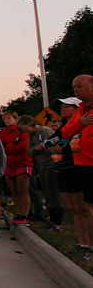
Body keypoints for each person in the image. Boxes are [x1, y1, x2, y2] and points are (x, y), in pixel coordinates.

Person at [52, 96, 93, 250]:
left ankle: (90, 244)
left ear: (77, 110)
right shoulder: (65, 127)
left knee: (84, 208)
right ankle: (82, 242)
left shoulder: (85, 124)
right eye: (62, 107)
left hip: (77, 168)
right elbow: (49, 143)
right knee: (74, 209)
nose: (63, 109)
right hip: (62, 169)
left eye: (67, 106)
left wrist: (61, 149)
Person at [61, 75, 93, 254]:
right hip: (81, 164)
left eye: (80, 86)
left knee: (87, 209)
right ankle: (85, 244)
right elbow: (66, 132)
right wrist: (80, 123)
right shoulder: (81, 110)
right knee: (81, 207)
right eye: (74, 87)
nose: (76, 89)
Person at [20, 114, 64, 231]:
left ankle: (57, 222)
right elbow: (30, 151)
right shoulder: (31, 135)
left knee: (54, 193)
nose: (23, 130)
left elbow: (54, 148)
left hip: (51, 164)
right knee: (47, 193)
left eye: (24, 127)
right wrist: (36, 148)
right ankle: (51, 220)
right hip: (42, 165)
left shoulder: (45, 131)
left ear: (30, 123)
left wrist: (41, 148)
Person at [0, 111, 33, 225]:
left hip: (22, 163)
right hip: (9, 164)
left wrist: (9, 146)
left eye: (9, 118)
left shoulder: (22, 131)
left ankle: (25, 215)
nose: (7, 120)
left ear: (16, 119)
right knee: (14, 191)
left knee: (23, 191)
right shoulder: (4, 132)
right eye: (5, 118)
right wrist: (12, 146)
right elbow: (2, 147)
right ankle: (19, 213)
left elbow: (23, 147)